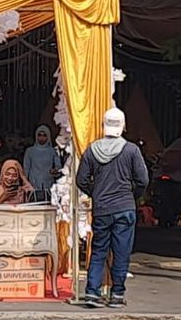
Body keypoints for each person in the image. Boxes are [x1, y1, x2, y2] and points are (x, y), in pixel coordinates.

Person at [76, 108, 149, 308]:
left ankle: (92, 292)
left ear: (103, 126)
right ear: (123, 126)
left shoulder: (91, 150)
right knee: (121, 251)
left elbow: (81, 180)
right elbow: (143, 180)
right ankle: (117, 294)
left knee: (98, 250)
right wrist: (131, 196)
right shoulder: (132, 150)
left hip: (101, 209)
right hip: (125, 208)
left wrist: (96, 193)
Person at [23, 125, 61, 201]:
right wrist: (26, 184)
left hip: (48, 183)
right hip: (33, 184)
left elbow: (58, 166)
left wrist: (55, 171)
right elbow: (26, 169)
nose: (41, 138)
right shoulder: (30, 151)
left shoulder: (52, 151)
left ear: (48, 136)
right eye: (39, 135)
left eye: (44, 135)